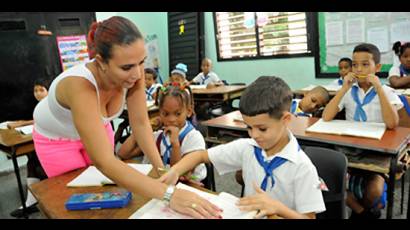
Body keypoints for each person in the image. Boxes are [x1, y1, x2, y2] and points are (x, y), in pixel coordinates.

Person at [32, 16, 221, 219]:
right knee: (78, 201)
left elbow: (140, 124)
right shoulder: (80, 87)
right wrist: (169, 195)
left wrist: (161, 172)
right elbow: (105, 161)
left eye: (141, 62)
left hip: (97, 128)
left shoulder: (134, 74)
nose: (137, 73)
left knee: (110, 192)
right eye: (126, 67)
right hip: (57, 141)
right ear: (101, 62)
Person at [160, 76, 326, 219]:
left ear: (286, 119)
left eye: (262, 129)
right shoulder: (248, 148)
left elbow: (309, 217)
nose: (253, 135)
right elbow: (200, 156)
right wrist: (175, 171)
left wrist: (277, 207)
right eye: (248, 127)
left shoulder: (303, 168)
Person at [322, 43, 403, 218]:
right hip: (349, 150)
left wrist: (379, 89)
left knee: (374, 190)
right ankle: (361, 212)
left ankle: (364, 210)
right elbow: (327, 116)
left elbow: (392, 123)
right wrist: (344, 88)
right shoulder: (349, 91)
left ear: (378, 67)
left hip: (376, 153)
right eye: (355, 64)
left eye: (365, 64)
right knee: (327, 181)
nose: (359, 69)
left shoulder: (387, 91)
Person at [118, 84, 207, 184]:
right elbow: (123, 153)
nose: (171, 119)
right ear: (159, 113)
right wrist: (143, 129)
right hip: (160, 184)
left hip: (187, 187)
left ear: (189, 112)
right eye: (165, 114)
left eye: (177, 114)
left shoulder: (193, 138)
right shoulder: (159, 136)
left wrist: (175, 144)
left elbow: (179, 174)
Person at [10, 78, 50, 218]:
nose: (38, 93)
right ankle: (31, 200)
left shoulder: (52, 104)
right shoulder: (39, 106)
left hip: (57, 145)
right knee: (32, 159)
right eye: (35, 90)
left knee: (34, 159)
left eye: (41, 90)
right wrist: (21, 123)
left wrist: (21, 124)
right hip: (44, 140)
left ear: (49, 90)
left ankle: (32, 200)